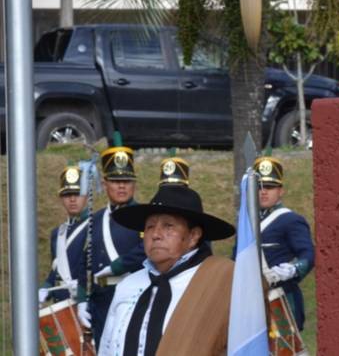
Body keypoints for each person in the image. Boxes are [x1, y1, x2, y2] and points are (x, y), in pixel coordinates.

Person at [97, 183, 236, 355]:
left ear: (193, 236)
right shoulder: (128, 285)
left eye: (168, 226)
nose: (156, 234)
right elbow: (106, 348)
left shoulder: (216, 284)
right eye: (150, 227)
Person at [78, 145, 146, 345]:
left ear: (134, 184)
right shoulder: (95, 219)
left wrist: (117, 266)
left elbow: (147, 250)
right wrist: (81, 300)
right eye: (116, 181)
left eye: (127, 181)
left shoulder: (144, 216)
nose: (122, 186)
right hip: (101, 301)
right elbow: (85, 261)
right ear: (105, 183)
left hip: (133, 298)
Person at [254, 154, 314, 330]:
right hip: (252, 300)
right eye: (259, 187)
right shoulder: (248, 222)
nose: (264, 191)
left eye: (270, 187)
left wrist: (293, 269)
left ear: (280, 191)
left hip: (281, 297)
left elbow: (308, 253)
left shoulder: (290, 220)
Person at [39, 165, 89, 304]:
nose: (72, 199)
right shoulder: (57, 233)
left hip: (84, 302)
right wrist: (46, 287)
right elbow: (57, 270)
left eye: (77, 194)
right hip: (61, 303)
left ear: (86, 196)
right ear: (61, 198)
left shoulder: (94, 226)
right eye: (67, 195)